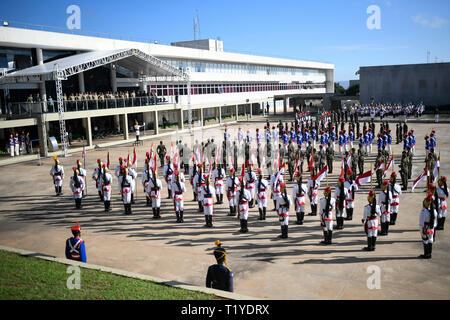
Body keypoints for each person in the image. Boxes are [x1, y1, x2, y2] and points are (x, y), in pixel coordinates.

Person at [419, 193, 437, 259]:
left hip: (425, 228)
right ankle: (429, 254)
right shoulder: (434, 211)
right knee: (430, 240)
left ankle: (426, 254)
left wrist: (421, 231)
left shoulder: (424, 212)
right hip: (431, 227)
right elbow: (435, 221)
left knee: (425, 240)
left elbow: (421, 223)